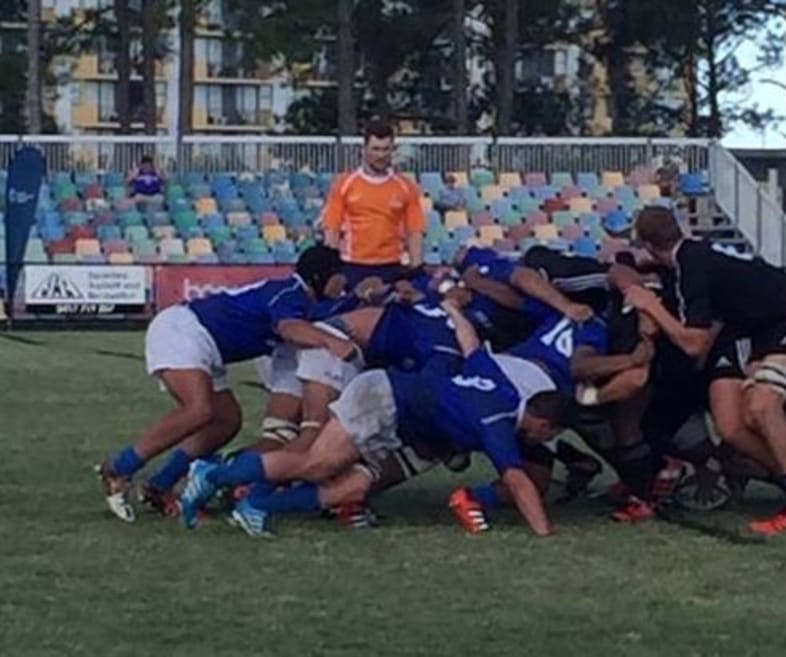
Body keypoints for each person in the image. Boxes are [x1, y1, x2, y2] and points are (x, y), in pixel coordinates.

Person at [180, 296, 570, 538]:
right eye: (546, 436)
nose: (541, 443)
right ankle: (212, 474)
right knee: (315, 463)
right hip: (385, 397)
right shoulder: (500, 420)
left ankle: (258, 508)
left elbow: (469, 343)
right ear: (541, 422)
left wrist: (453, 310)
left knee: (350, 488)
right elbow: (517, 482)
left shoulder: (498, 382)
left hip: (405, 423)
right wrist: (544, 532)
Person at [626, 207, 786, 535]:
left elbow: (694, 343)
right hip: (758, 330)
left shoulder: (690, 267)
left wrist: (649, 306)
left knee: (764, 407)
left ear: (649, 244)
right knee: (736, 424)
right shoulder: (697, 255)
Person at [95, 246, 356, 523]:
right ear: (321, 275)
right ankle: (120, 467)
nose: (343, 281)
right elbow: (289, 328)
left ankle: (160, 485)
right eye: (339, 274)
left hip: (207, 345)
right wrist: (333, 343)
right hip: (185, 330)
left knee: (226, 421)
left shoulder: (305, 300)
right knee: (199, 411)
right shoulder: (290, 292)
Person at [322, 120, 425, 289]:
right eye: (375, 149)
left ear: (393, 150)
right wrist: (332, 270)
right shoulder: (345, 184)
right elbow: (332, 229)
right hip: (353, 265)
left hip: (391, 265)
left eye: (386, 149)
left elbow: (415, 232)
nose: (381, 155)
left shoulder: (405, 187)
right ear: (364, 150)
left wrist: (416, 269)